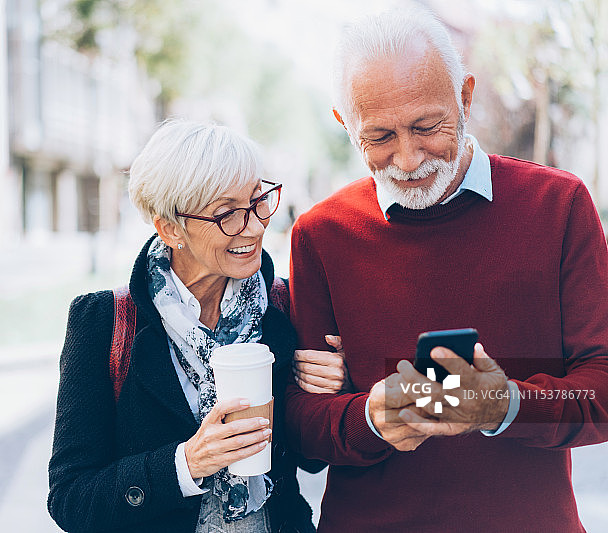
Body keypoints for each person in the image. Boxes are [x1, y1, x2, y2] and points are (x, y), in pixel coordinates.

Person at [285, 8, 608, 532]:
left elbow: (600, 389)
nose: (408, 160)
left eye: (426, 127)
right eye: (380, 137)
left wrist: (505, 405)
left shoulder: (559, 205)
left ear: (465, 96)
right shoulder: (321, 235)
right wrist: (370, 418)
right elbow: (303, 432)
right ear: (346, 125)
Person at [48, 119, 344, 533]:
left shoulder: (287, 304)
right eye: (227, 214)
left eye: (258, 202)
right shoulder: (103, 323)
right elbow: (71, 499)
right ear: (171, 228)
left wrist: (325, 393)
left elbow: (312, 461)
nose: (256, 227)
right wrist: (185, 464)